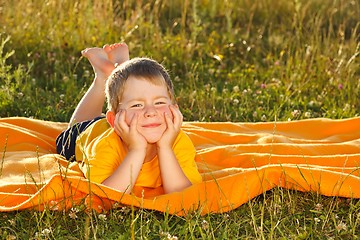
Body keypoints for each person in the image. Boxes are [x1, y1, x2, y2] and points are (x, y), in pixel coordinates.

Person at [56, 43, 202, 197]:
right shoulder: (105, 146)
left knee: (127, 90)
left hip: (125, 119)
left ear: (175, 110)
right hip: (89, 132)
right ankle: (102, 78)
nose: (150, 112)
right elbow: (107, 195)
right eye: (137, 105)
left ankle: (120, 71)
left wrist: (165, 147)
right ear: (113, 120)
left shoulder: (178, 142)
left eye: (159, 102)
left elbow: (184, 195)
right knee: (76, 125)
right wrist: (137, 149)